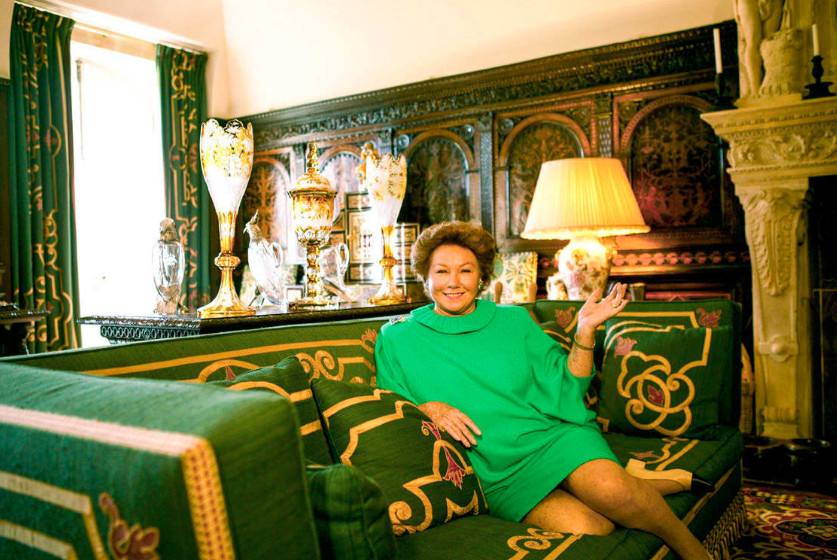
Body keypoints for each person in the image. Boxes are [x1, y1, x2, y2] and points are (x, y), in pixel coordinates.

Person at [374, 221, 714, 560]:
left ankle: (693, 550)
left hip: (550, 440)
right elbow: (392, 407)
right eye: (441, 271)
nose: (453, 281)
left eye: (465, 270)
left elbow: (567, 384)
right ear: (426, 276)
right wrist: (431, 408)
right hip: (494, 471)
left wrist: (585, 329)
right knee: (592, 526)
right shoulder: (397, 337)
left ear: (481, 278)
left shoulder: (513, 321)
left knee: (611, 490)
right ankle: (644, 483)